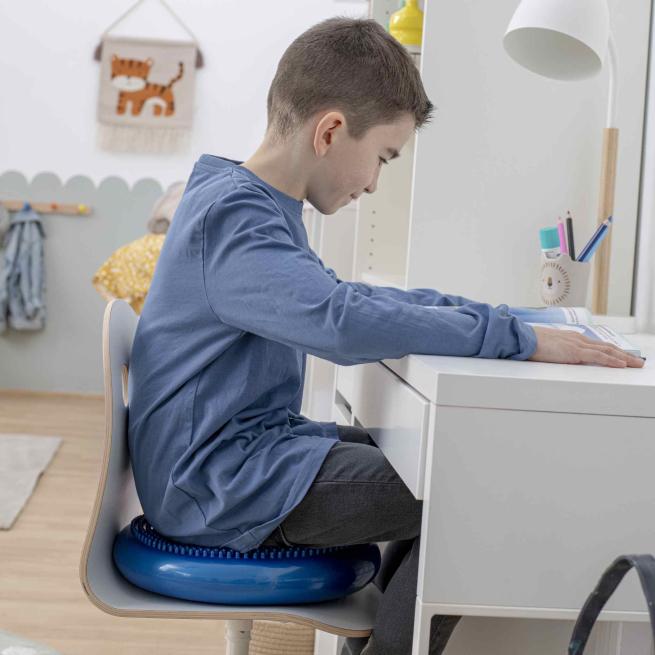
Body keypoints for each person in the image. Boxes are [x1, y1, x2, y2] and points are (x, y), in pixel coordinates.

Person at [127, 17, 644, 655]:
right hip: (216, 486)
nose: (373, 183)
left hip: (235, 463)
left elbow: (355, 300)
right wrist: (515, 337)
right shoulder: (236, 218)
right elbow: (340, 321)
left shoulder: (251, 204)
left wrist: (506, 320)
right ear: (329, 131)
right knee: (471, 488)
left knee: (452, 461)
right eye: (382, 157)